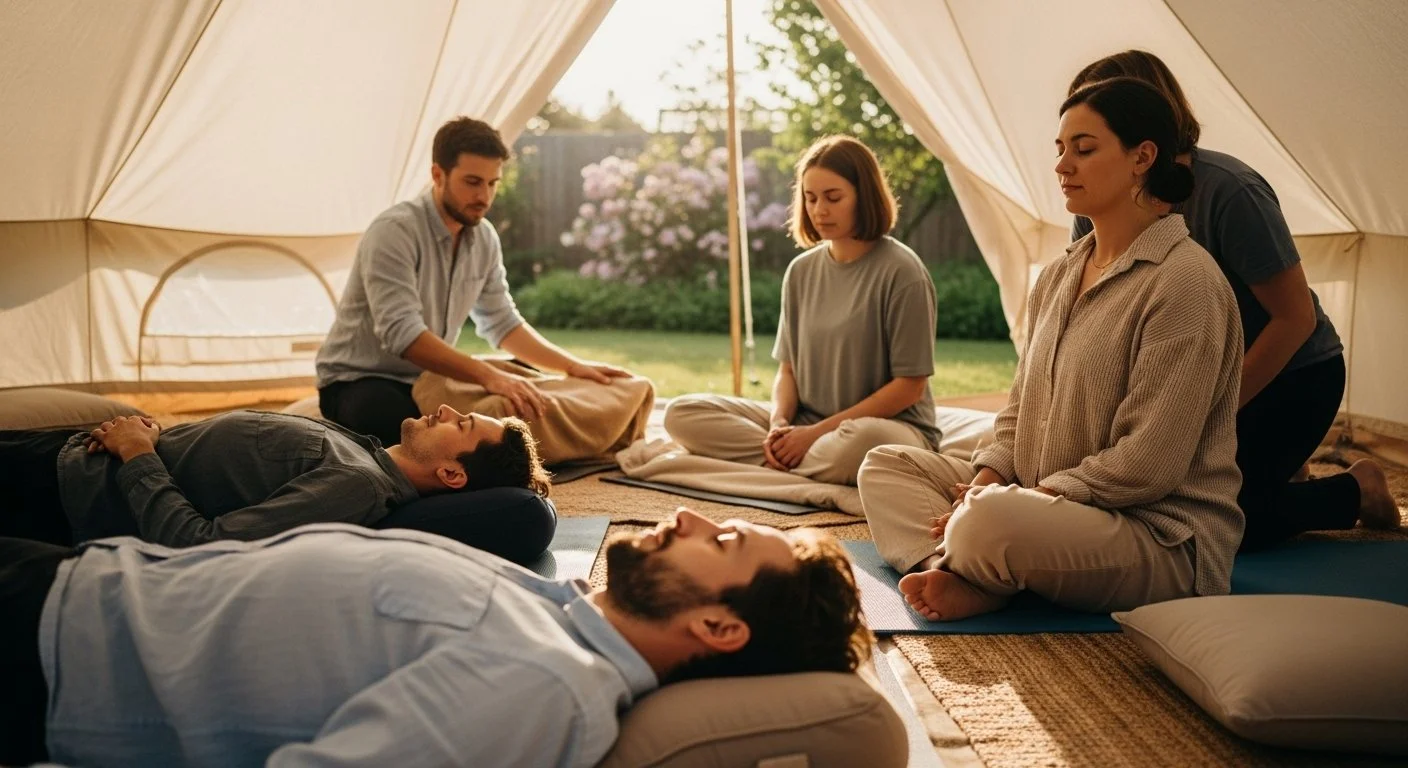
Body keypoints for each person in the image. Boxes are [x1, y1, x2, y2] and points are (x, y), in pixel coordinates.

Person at [0, 509, 870, 767]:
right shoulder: (554, 615)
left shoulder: (544, 683)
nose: (685, 515)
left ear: (718, 626)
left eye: (720, 543)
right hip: (80, 582)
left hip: (44, 649)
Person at [858, 77, 1245, 621]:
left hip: (1154, 536)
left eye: (1084, 150)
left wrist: (1019, 501)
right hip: (1037, 506)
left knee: (992, 522)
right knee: (884, 466)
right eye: (1060, 150)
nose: (1063, 165)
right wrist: (984, 483)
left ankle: (977, 559)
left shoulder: (1185, 282)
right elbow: (1017, 415)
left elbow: (1147, 464)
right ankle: (960, 568)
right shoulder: (1059, 274)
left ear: (1143, 157)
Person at [1069, 50, 1399, 547]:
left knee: (1209, 521)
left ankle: (1359, 489)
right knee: (1131, 497)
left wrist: (1213, 411)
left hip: (1291, 375)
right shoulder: (1094, 205)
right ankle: (1281, 468)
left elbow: (1295, 318)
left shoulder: (1229, 191)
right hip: (1184, 385)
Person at [315, 117, 632, 447]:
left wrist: (573, 366)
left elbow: (503, 323)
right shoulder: (394, 232)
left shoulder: (484, 239)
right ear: (438, 175)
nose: (484, 196)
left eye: (492, 183)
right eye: (472, 182)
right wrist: (491, 378)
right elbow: (403, 335)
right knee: (425, 441)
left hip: (429, 380)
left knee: (517, 398)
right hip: (358, 380)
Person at [664, 135, 938, 486]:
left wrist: (813, 436)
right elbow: (788, 370)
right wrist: (779, 424)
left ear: (864, 196)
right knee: (682, 414)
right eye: (810, 198)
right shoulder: (800, 271)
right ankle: (785, 456)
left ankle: (783, 462)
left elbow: (909, 388)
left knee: (863, 447)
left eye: (833, 197)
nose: (819, 210)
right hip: (808, 422)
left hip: (887, 430)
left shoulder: (904, 273)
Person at [0, 404, 549, 549]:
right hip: (89, 455)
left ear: (453, 473)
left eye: (463, 424)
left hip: (66, 488)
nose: (447, 409)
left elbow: (199, 545)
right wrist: (156, 437)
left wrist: (139, 454)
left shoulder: (356, 487)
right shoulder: (365, 456)